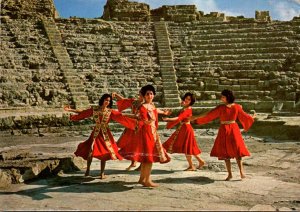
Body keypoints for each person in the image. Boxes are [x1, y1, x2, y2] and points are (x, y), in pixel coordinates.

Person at [190, 89, 255, 181]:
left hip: (232, 129)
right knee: (225, 152)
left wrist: (251, 117)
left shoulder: (236, 107)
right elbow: (209, 115)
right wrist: (196, 119)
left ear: (228, 97)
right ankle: (230, 174)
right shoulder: (221, 107)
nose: (221, 98)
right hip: (225, 129)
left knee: (237, 151)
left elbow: (244, 115)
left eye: (223, 96)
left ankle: (241, 173)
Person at [68, 93, 136, 179]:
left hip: (105, 134)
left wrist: (135, 118)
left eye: (109, 101)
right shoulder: (95, 109)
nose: (107, 102)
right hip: (96, 133)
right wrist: (72, 111)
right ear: (102, 100)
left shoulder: (110, 111)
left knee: (104, 153)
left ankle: (102, 173)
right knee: (90, 151)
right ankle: (87, 171)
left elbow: (121, 116)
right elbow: (84, 113)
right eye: (106, 100)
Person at [125, 84, 171, 187]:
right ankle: (147, 180)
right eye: (147, 94)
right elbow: (141, 118)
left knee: (147, 158)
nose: (150, 95)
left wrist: (164, 112)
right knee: (149, 158)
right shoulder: (142, 107)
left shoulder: (152, 105)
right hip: (147, 133)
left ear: (153, 95)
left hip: (153, 132)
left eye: (151, 94)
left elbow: (155, 111)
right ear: (144, 96)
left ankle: (142, 179)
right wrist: (147, 121)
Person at [162, 92, 205, 171]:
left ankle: (191, 166)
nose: (186, 100)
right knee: (189, 147)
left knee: (187, 148)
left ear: (191, 101)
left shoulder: (187, 109)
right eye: (186, 98)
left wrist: (168, 119)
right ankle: (200, 161)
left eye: (189, 99)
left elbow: (179, 118)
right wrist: (183, 105)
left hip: (186, 129)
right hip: (184, 128)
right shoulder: (186, 107)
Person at [112, 91, 143, 171]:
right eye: (140, 95)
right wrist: (116, 94)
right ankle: (133, 162)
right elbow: (124, 100)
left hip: (141, 126)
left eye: (142, 95)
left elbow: (137, 116)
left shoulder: (146, 105)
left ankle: (141, 164)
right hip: (131, 125)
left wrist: (123, 115)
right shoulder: (135, 102)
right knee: (131, 144)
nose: (141, 96)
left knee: (140, 145)